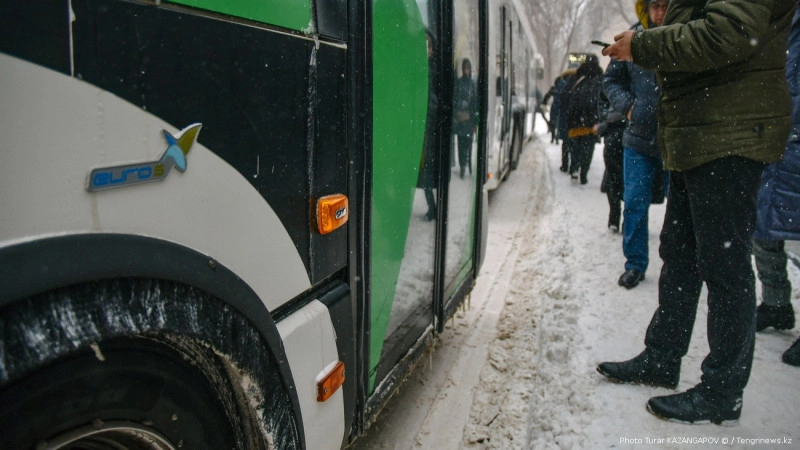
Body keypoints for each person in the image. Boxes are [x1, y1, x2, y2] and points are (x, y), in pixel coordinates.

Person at [597, 0, 795, 425]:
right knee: (681, 252)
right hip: (701, 128)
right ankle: (663, 356)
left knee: (724, 264)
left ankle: (722, 391)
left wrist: (645, 45)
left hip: (729, 131)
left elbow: (730, 31)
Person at [603, 0, 670, 289]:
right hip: (638, 141)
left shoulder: (683, 39)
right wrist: (628, 107)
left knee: (684, 211)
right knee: (634, 203)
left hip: (677, 142)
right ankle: (635, 264)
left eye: (665, 5)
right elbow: (610, 81)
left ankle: (681, 269)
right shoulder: (631, 40)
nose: (659, 13)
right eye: (654, 5)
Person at [752, 6, 800, 367]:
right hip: (776, 138)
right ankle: (776, 303)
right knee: (763, 229)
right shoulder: (775, 15)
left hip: (790, 136)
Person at [563, 55, 603, 185]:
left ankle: (574, 168)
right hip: (591, 122)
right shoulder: (600, 79)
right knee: (588, 149)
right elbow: (604, 99)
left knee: (575, 147)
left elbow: (565, 95)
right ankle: (584, 173)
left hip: (575, 120)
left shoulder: (576, 77)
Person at [597, 91, 626, 233]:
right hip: (628, 130)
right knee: (627, 180)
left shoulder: (612, 82)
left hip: (617, 131)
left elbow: (602, 103)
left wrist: (605, 121)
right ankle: (626, 221)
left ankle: (615, 218)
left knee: (614, 178)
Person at [453, 58, 478, 179]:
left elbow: (475, 101)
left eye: (468, 68)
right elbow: (456, 99)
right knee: (461, 143)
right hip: (461, 119)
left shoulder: (472, 84)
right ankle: (463, 165)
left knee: (468, 144)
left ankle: (467, 164)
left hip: (469, 119)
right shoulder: (460, 82)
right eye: (465, 68)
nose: (466, 71)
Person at [543, 77, 565, 144]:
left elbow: (547, 96)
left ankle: (553, 138)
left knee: (553, 123)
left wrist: (544, 103)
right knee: (559, 123)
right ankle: (558, 138)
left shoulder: (554, 88)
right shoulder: (566, 86)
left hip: (555, 107)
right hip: (562, 108)